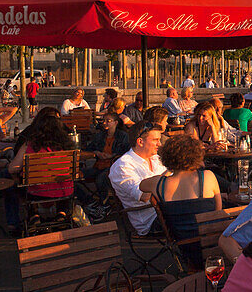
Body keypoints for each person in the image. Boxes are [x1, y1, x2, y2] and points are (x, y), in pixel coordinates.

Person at [139, 134, 222, 269]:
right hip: (212, 245)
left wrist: (168, 171)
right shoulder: (207, 177)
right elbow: (218, 213)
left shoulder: (158, 184)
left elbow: (142, 185)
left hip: (185, 247)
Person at [109, 122, 168, 234]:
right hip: (152, 220)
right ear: (140, 141)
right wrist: (172, 170)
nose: (159, 144)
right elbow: (144, 196)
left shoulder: (155, 158)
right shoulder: (123, 166)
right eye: (155, 140)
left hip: (167, 210)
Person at [83, 111, 131, 195]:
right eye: (103, 121)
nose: (105, 123)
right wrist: (97, 153)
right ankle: (89, 199)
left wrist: (112, 155)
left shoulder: (123, 136)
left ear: (116, 123)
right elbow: (88, 149)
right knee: (79, 175)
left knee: (101, 179)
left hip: (113, 167)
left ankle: (104, 202)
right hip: (99, 165)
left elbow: (126, 153)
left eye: (108, 121)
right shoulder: (100, 135)